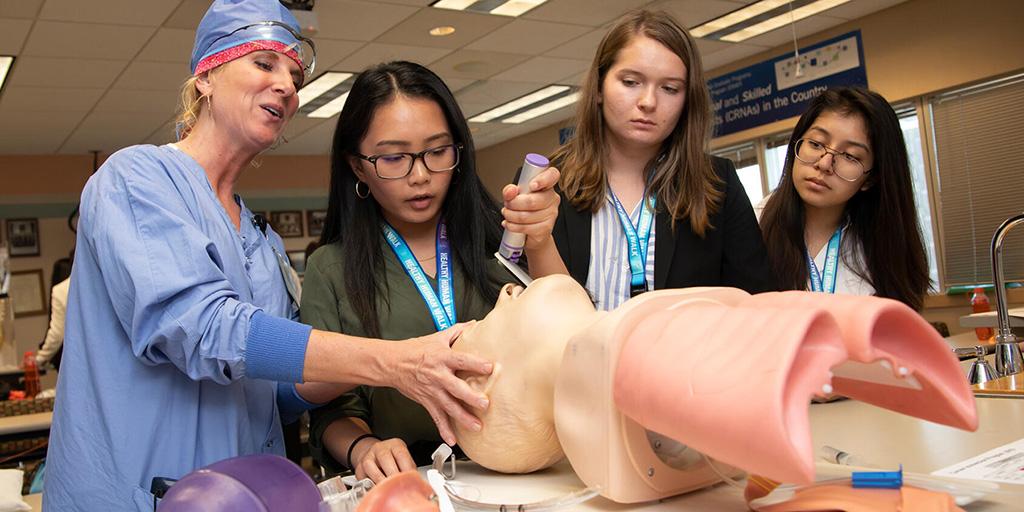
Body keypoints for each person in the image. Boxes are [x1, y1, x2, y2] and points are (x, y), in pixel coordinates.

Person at [44, 3, 493, 510]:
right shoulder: (135, 180)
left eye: (295, 74)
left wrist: (383, 347)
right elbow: (204, 329)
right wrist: (392, 361)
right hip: (136, 494)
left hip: (242, 496)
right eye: (264, 63)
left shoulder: (262, 242)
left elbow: (277, 394)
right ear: (206, 76)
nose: (287, 85)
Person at [301, 61, 562, 484]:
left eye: (438, 151)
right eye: (393, 158)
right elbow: (330, 406)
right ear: (357, 165)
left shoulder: (501, 239)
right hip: (410, 482)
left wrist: (541, 240)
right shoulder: (331, 268)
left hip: (521, 477)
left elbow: (568, 340)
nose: (420, 176)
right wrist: (364, 448)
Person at [523, 9, 776, 311]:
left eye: (670, 89)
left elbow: (757, 302)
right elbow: (521, 304)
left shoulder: (717, 184)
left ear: (687, 99)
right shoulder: (548, 182)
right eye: (631, 82)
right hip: (572, 356)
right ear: (600, 87)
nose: (648, 102)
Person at [758, 87, 930, 310]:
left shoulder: (885, 247)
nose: (824, 163)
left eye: (850, 156)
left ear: (871, 178)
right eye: (816, 143)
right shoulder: (752, 223)